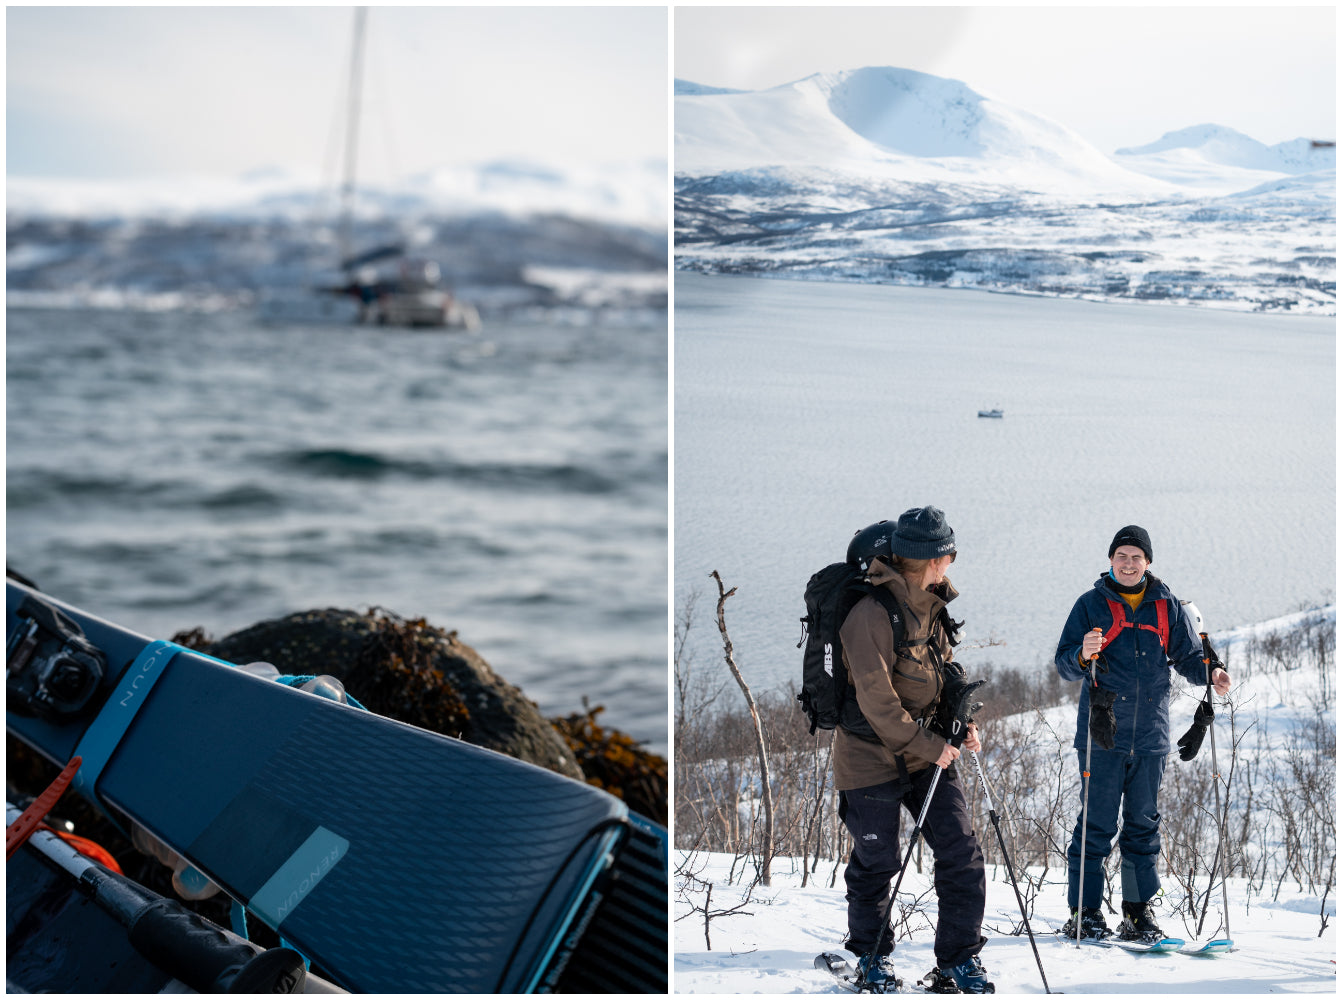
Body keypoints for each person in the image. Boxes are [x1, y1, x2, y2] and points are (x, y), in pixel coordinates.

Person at [835, 506, 992, 993]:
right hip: (869, 758)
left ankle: (958, 960)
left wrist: (959, 725)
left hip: (928, 753)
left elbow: (941, 674)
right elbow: (878, 704)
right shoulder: (869, 615)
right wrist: (931, 743)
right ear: (932, 557)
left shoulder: (933, 604)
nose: (953, 561)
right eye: (950, 553)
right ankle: (870, 957)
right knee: (879, 862)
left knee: (961, 852)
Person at [1055, 525, 1232, 941]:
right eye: (1122, 556)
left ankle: (1137, 913)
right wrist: (1082, 653)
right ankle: (1084, 912)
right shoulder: (1090, 604)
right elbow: (1063, 664)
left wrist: (1213, 672)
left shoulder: (1166, 605)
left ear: (1148, 562)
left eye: (1137, 557)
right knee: (1096, 824)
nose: (1129, 563)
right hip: (1102, 735)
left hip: (1151, 735)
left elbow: (1187, 657)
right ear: (1111, 560)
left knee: (1143, 825)